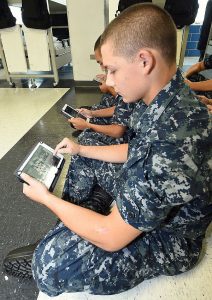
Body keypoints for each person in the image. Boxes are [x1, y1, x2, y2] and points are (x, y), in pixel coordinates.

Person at [4, 3, 212, 297]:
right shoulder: (167, 95)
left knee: (49, 262)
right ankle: (80, 220)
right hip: (147, 195)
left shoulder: (175, 137)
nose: (109, 80)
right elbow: (134, 149)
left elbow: (112, 237)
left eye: (112, 70)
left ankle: (74, 230)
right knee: (85, 150)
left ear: (144, 61)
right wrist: (80, 149)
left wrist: (46, 199)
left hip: (170, 237)